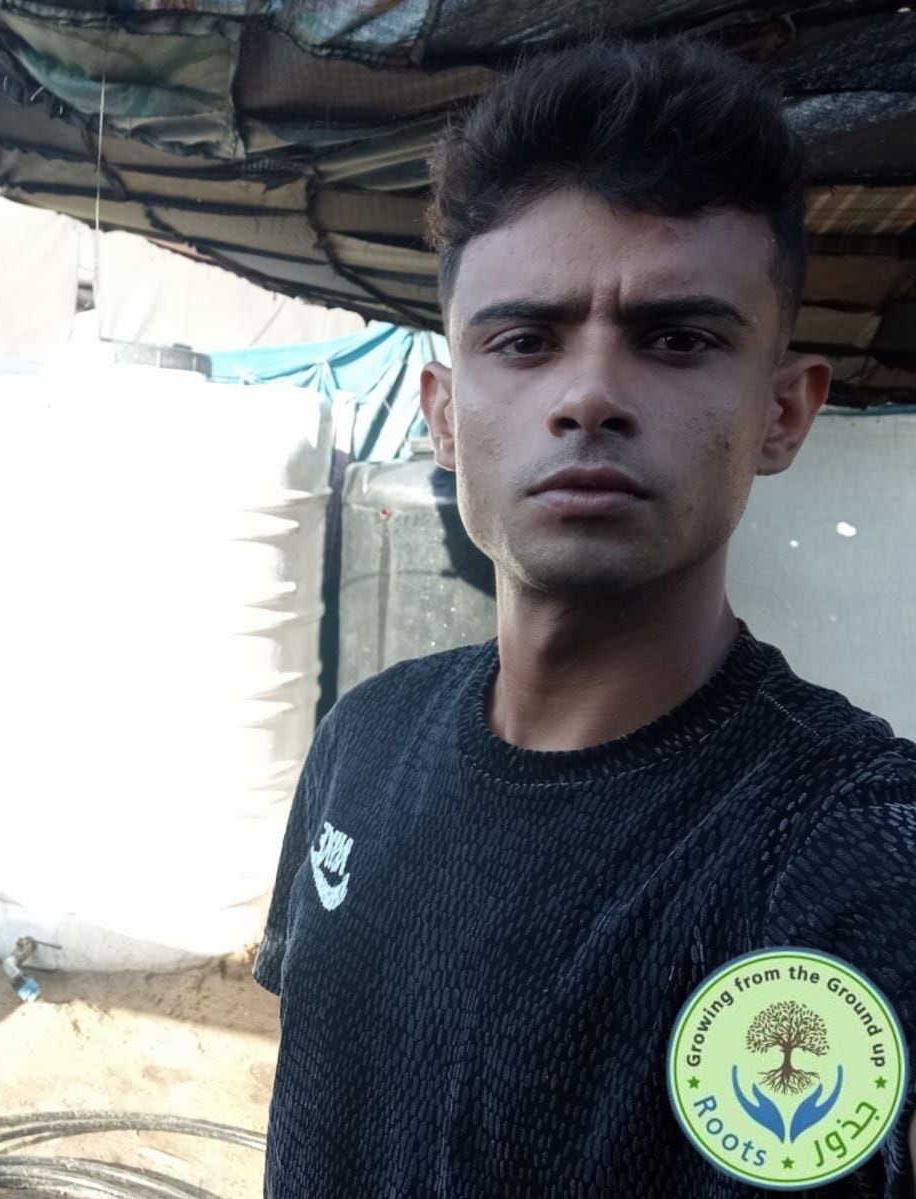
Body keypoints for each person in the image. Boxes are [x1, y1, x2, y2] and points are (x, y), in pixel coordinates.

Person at [254, 37, 916, 1198]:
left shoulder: (842, 844)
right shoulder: (361, 740)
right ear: (445, 415)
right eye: (524, 339)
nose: (591, 394)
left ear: (782, 412)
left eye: (678, 338)